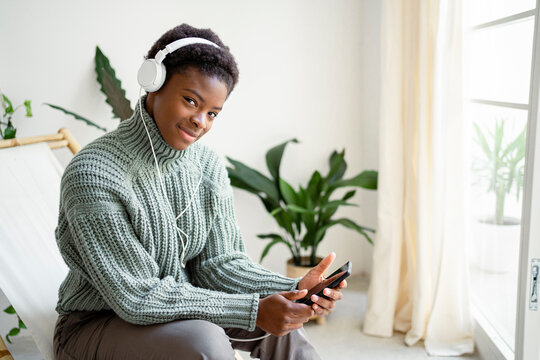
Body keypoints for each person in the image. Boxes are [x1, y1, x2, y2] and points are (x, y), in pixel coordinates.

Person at [53, 23, 346, 360]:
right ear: (154, 83)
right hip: (97, 324)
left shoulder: (206, 165)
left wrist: (292, 290)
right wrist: (253, 309)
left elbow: (219, 265)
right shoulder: (95, 173)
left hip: (178, 308)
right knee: (205, 340)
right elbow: (136, 297)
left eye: (212, 113)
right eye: (191, 101)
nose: (200, 122)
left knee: (282, 332)